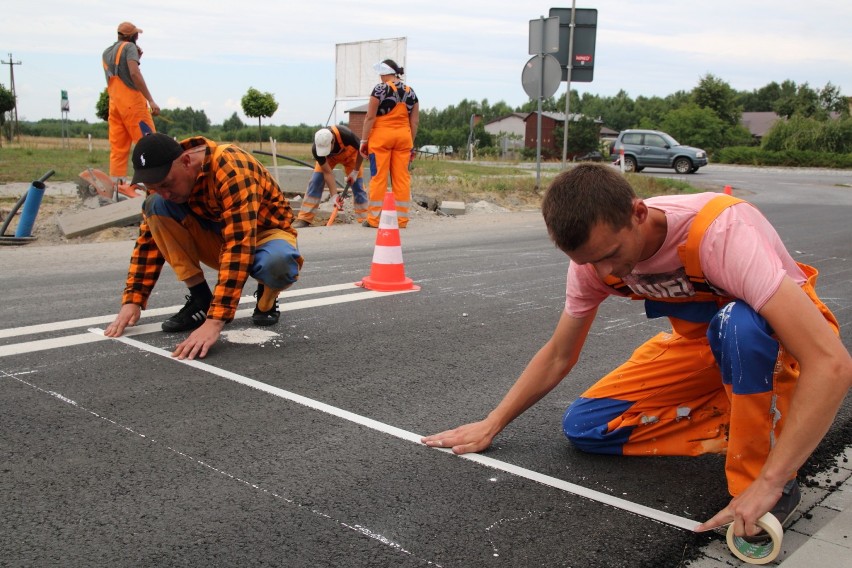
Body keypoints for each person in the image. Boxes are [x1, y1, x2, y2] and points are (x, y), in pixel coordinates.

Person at [422, 163, 852, 541]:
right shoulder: (594, 261)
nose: (607, 272)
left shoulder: (721, 233)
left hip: (782, 342)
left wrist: (771, 481)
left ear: (639, 213)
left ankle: (763, 478)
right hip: (703, 347)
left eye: (611, 255)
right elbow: (559, 354)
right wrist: (492, 423)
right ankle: (746, 420)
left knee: (737, 324)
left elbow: (830, 363)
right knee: (588, 426)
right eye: (591, 262)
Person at [103, 133, 304, 361]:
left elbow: (238, 244)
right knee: (155, 206)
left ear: (186, 161)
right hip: (220, 235)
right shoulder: (162, 181)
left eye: (167, 184)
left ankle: (266, 298)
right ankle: (201, 299)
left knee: (278, 264)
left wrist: (215, 321)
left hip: (264, 236)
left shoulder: (230, 167)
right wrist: (133, 299)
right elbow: (149, 240)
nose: (165, 192)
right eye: (155, 187)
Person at [359, 59, 419, 228]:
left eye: (380, 74)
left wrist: (364, 141)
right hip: (403, 138)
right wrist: (410, 144)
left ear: (385, 73)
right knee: (401, 179)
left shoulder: (380, 89)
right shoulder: (411, 92)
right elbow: (414, 122)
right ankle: (401, 220)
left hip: (381, 138)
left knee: (378, 178)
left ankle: (374, 219)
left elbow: (369, 117)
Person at [102, 21, 160, 183]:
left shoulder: (107, 52)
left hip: (115, 105)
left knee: (118, 148)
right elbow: (134, 74)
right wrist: (151, 100)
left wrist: (137, 58)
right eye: (136, 35)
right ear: (130, 36)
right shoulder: (129, 48)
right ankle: (153, 184)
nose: (138, 37)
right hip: (132, 104)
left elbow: (120, 71)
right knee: (148, 144)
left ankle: (117, 186)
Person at [292, 125, 368, 228]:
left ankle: (364, 218)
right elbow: (327, 173)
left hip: (351, 156)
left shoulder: (346, 135)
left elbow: (361, 150)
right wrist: (334, 196)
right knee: (316, 181)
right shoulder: (316, 149)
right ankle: (304, 218)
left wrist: (355, 171)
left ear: (332, 141)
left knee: (358, 186)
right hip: (329, 159)